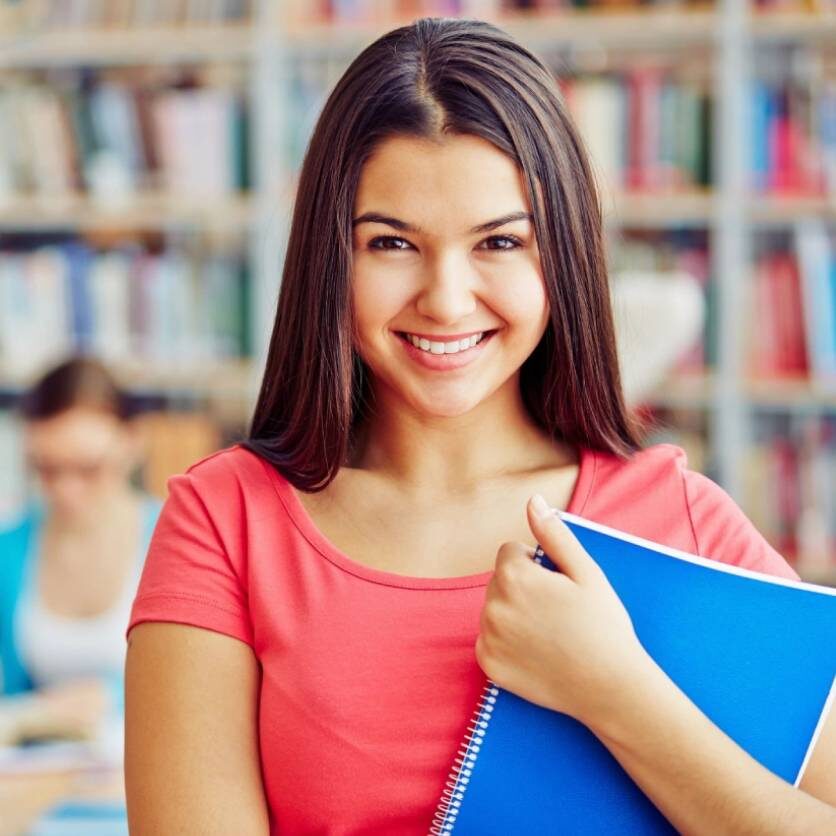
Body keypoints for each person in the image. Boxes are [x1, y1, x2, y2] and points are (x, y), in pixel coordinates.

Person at [124, 17, 836, 835]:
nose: (447, 299)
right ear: (331, 258)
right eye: (392, 243)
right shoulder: (225, 521)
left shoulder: (682, 521)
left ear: (561, 257)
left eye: (499, 241)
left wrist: (616, 693)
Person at [0, 356, 161, 747]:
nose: (66, 491)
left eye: (88, 469)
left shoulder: (179, 540)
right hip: (37, 785)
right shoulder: (10, 549)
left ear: (133, 442)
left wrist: (112, 697)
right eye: (46, 469)